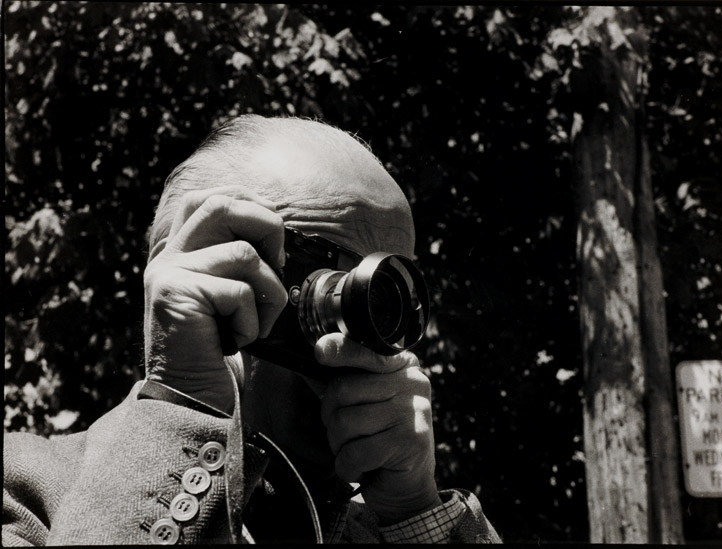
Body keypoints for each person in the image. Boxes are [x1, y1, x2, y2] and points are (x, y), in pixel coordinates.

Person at [3, 115, 501, 544]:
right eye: (320, 278)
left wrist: (417, 512)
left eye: (382, 297)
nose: (361, 331)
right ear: (182, 269)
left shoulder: (391, 525)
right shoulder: (22, 489)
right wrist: (184, 397)